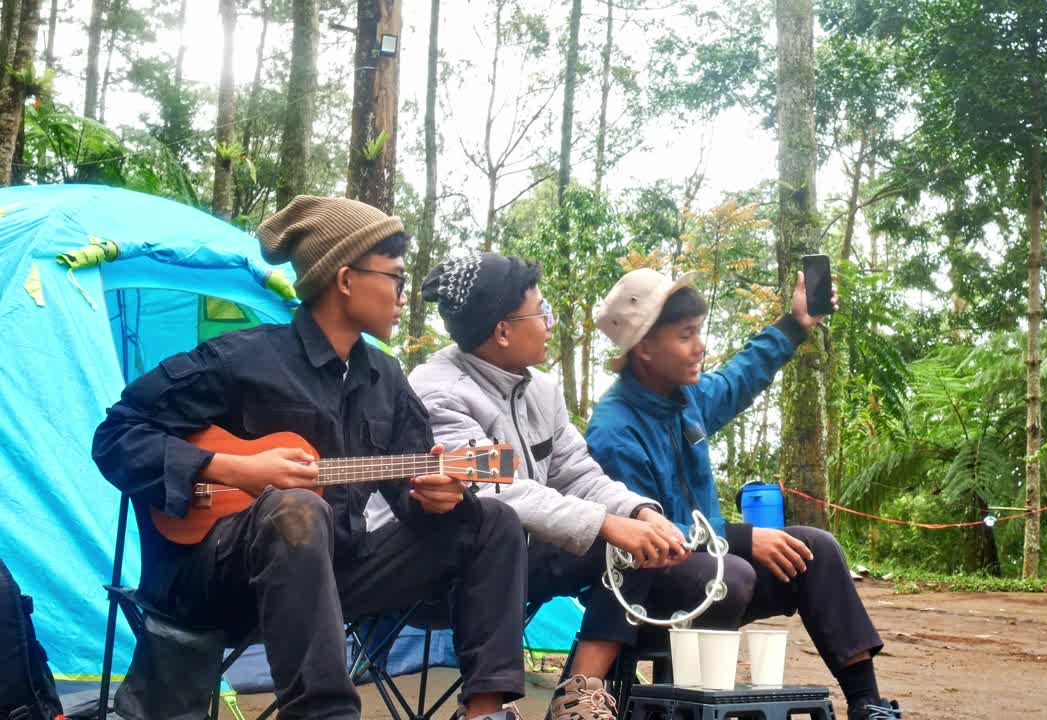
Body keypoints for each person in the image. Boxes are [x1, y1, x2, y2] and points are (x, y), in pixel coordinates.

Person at [92, 198, 528, 720]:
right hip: (215, 586)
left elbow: (411, 493)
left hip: (335, 578)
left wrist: (439, 498)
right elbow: (116, 436)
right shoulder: (240, 359)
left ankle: (485, 712)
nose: (403, 295)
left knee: (492, 521)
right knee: (296, 509)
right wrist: (233, 469)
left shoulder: (386, 381)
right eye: (395, 277)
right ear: (345, 279)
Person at [410, 254, 742, 720]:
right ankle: (488, 708)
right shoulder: (438, 391)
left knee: (636, 539)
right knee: (554, 524)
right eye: (541, 312)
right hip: (457, 565)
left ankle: (580, 694)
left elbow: (579, 474)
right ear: (503, 331)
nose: (550, 323)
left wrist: (640, 513)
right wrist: (606, 523)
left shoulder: (542, 390)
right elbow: (499, 492)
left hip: (530, 555)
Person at [586, 268, 902, 720]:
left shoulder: (686, 398)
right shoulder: (615, 428)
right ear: (645, 348)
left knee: (817, 548)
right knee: (732, 574)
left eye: (700, 332)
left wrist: (795, 323)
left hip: (715, 569)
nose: (701, 347)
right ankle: (685, 704)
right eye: (686, 335)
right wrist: (741, 538)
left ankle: (866, 701)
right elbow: (646, 533)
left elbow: (741, 375)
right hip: (649, 590)